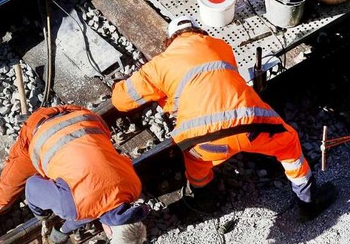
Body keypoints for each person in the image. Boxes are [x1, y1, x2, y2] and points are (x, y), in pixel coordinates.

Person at [111, 15, 337, 221]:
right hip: (252, 125)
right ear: (200, 32)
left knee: (197, 162)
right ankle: (308, 201)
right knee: (289, 145)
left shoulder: (159, 64)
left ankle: (206, 199)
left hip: (203, 139)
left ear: (169, 41)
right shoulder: (221, 46)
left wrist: (129, 85)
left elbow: (121, 101)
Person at [0, 105, 150, 244]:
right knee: (7, 187)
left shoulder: (134, 186)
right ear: (109, 231)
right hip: (39, 131)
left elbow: (92, 206)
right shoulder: (73, 208)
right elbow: (32, 187)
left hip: (83, 117)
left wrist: (63, 231)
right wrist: (42, 215)